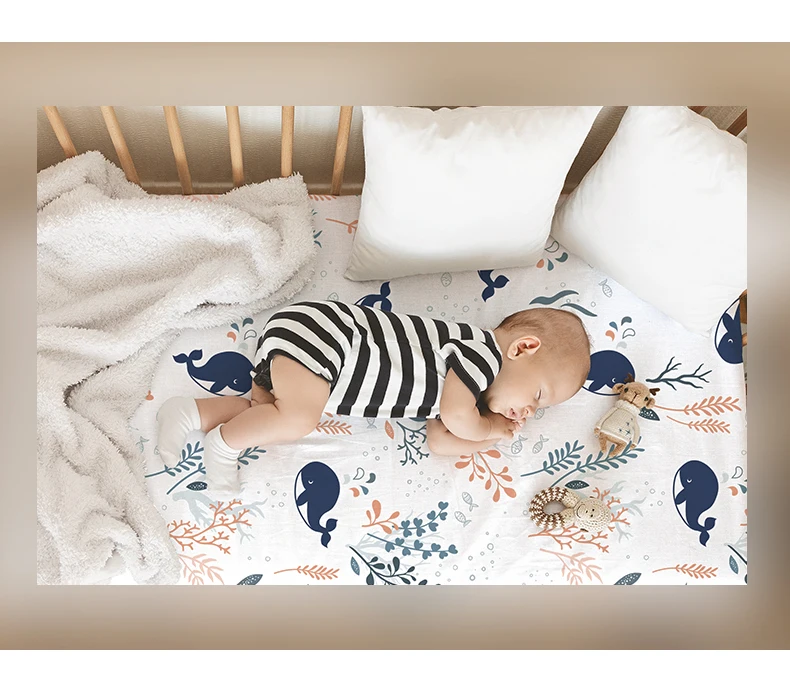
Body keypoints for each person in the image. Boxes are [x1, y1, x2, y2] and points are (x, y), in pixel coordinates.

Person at [156, 301, 591, 496]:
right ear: (523, 348)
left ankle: (190, 413)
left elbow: (440, 440)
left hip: (317, 364)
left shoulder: (470, 394)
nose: (531, 411)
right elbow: (458, 418)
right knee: (299, 420)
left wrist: (493, 436)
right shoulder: (482, 353)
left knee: (269, 416)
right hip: (328, 339)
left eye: (539, 409)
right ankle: (223, 446)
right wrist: (491, 427)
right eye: (538, 395)